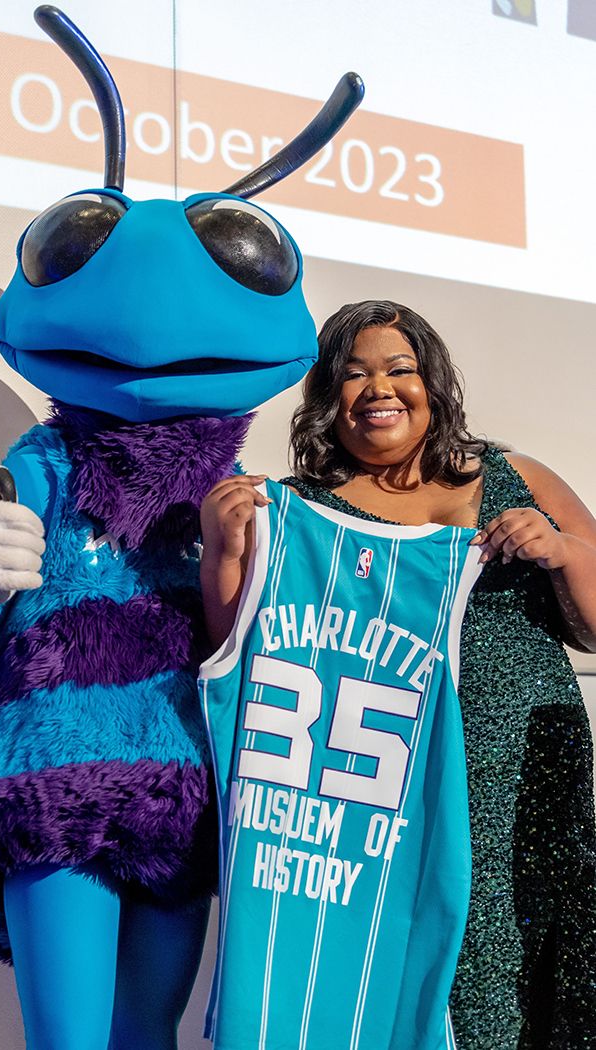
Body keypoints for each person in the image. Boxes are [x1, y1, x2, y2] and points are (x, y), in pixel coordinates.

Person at [200, 300, 596, 1049]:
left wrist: (563, 550)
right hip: (384, 803)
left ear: (433, 383)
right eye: (352, 375)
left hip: (526, 786)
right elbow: (240, 651)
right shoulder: (299, 511)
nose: (377, 388)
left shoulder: (515, 474)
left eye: (398, 369)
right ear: (326, 398)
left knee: (533, 968)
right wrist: (223, 550)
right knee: (421, 980)